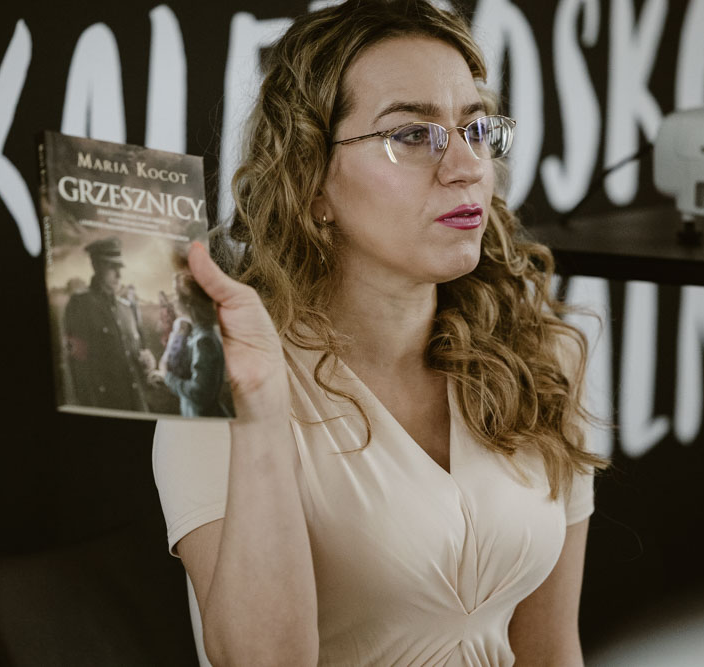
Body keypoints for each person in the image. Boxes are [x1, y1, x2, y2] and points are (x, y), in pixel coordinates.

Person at [153, 1, 607, 665]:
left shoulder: (543, 355)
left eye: (475, 127)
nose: (466, 166)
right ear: (312, 183)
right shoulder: (216, 374)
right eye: (413, 135)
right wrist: (262, 412)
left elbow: (549, 649)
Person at [63, 237, 150, 412]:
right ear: (96, 265)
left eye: (120, 267)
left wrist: (146, 362)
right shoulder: (81, 304)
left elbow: (134, 358)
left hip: (136, 403)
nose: (119, 275)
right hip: (105, 405)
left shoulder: (126, 308)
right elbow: (78, 367)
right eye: (112, 267)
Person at [150, 272, 229, 417]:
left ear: (188, 302)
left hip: (204, 419)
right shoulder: (196, 333)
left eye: (176, 294)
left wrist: (167, 377)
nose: (173, 300)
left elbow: (199, 393)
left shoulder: (204, 341)